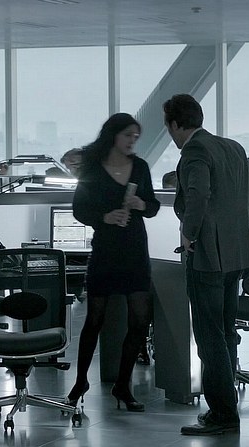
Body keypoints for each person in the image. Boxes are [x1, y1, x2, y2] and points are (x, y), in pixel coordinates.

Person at [164, 94, 249, 436]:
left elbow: (198, 194)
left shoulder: (194, 151)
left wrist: (189, 234)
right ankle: (226, 407)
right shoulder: (233, 147)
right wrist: (235, 224)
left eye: (169, 128)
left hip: (207, 255)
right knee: (225, 331)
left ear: (175, 124)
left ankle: (223, 413)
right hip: (236, 254)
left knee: (209, 336)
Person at [66, 113, 160, 412]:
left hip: (135, 249)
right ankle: (80, 380)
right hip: (106, 250)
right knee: (94, 319)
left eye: (136, 136)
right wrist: (104, 217)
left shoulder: (140, 167)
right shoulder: (93, 168)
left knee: (140, 320)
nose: (133, 141)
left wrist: (141, 204)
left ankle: (123, 385)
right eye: (128, 135)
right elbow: (79, 209)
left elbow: (153, 206)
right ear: (113, 135)